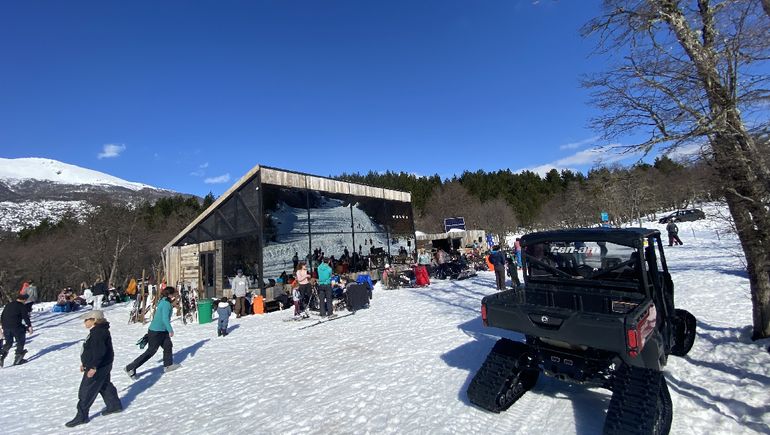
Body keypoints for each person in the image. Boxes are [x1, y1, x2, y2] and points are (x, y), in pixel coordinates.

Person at [65, 310, 122, 427]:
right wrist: (85, 363)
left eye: (87, 320)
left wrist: (93, 367)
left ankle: (82, 416)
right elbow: (92, 350)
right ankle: (114, 405)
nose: (84, 322)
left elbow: (99, 352)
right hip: (103, 364)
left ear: (94, 320)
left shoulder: (98, 332)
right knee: (104, 385)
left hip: (99, 366)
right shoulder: (99, 330)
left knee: (86, 390)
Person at [125, 286, 180, 379]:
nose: (176, 296)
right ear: (170, 295)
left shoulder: (164, 301)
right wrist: (170, 329)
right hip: (156, 331)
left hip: (163, 331)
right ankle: (130, 368)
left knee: (168, 345)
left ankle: (168, 365)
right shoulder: (166, 304)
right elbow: (164, 318)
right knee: (151, 351)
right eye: (175, 294)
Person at [0, 293, 33, 367]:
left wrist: (2, 324)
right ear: (24, 300)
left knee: (9, 342)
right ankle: (18, 358)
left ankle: (1, 354)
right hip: (16, 327)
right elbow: (25, 317)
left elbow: (2, 315)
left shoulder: (8, 305)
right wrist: (29, 326)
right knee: (20, 340)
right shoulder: (21, 306)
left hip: (6, 326)